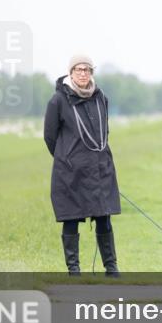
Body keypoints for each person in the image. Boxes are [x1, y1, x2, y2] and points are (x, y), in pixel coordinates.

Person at [43, 55, 122, 276]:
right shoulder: (57, 101)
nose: (83, 73)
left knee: (103, 217)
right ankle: (74, 270)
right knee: (71, 218)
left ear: (91, 73)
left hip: (99, 168)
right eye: (78, 69)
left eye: (87, 69)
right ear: (71, 72)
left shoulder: (101, 98)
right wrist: (66, 157)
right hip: (70, 170)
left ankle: (111, 267)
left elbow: (104, 131)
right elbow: (50, 137)